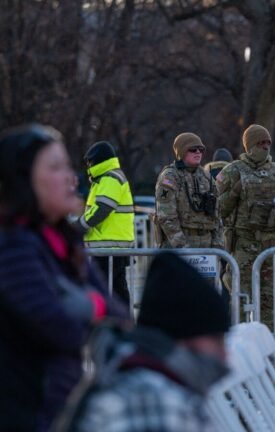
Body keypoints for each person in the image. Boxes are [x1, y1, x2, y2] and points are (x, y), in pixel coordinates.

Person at [0, 124, 128, 431]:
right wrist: (94, 308)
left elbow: (118, 316)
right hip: (24, 408)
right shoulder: (13, 245)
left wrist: (88, 304)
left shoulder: (62, 241)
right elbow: (58, 327)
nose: (70, 177)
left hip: (60, 406)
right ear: (24, 179)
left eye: (68, 165)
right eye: (55, 167)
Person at [57, 252, 231, 432]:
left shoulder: (155, 383)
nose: (225, 354)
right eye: (216, 340)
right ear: (181, 338)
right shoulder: (150, 400)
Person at [217, 124, 275, 328]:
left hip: (270, 245)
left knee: (268, 301)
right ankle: (239, 350)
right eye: (260, 143)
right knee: (240, 298)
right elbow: (218, 209)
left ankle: (266, 349)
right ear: (249, 145)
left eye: (268, 143)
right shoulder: (232, 171)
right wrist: (234, 192)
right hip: (242, 244)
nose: (265, 147)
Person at [78, 141, 135, 305]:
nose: (87, 166)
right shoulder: (108, 177)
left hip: (108, 248)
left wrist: (80, 225)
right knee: (117, 290)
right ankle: (124, 325)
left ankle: (114, 325)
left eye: (89, 162)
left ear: (95, 161)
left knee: (104, 291)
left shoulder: (110, 178)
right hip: (112, 246)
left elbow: (102, 209)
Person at [153, 132, 223, 250]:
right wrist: (183, 247)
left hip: (206, 246)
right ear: (182, 151)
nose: (198, 152)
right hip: (179, 246)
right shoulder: (170, 176)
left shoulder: (206, 176)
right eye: (193, 149)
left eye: (201, 149)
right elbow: (166, 216)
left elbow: (217, 215)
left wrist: (218, 246)